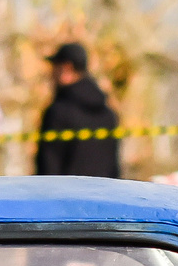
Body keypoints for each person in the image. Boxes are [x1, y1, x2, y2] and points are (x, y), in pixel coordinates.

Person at [32, 44, 120, 178]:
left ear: (67, 68)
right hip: (104, 196)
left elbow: (48, 169)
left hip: (67, 196)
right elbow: (114, 168)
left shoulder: (58, 113)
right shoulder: (108, 114)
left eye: (55, 67)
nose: (51, 74)